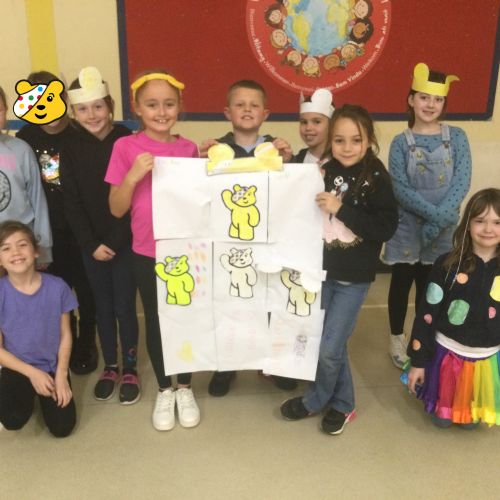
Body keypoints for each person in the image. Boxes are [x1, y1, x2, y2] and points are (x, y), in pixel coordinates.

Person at [280, 104, 398, 435]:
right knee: (326, 341)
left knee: (330, 348)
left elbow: (385, 227)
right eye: (339, 140)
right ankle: (344, 403)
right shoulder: (323, 169)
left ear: (369, 140)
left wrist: (340, 208)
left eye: (356, 140)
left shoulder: (376, 177)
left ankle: (316, 400)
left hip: (353, 280)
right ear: (330, 140)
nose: (347, 148)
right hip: (319, 275)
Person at [106, 70, 200, 430]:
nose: (161, 112)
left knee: (185, 318)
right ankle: (164, 388)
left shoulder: (188, 149)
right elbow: (116, 208)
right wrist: (133, 175)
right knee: (158, 320)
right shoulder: (125, 147)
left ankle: (185, 386)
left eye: (169, 104)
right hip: (147, 251)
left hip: (185, 250)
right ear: (137, 108)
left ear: (179, 107)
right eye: (152, 105)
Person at [199, 79, 294, 397]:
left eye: (254, 105)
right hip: (229, 243)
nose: (247, 110)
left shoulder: (275, 149)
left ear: (266, 113)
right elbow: (201, 191)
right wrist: (199, 162)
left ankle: (270, 364)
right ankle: (226, 365)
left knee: (269, 302)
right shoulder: (218, 150)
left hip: (268, 241)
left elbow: (291, 191)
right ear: (227, 112)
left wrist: (289, 163)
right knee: (229, 303)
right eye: (240, 104)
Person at [383, 63, 471, 369]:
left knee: (431, 285)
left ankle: (422, 338)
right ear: (411, 100)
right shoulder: (400, 142)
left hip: (444, 229)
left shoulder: (457, 137)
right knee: (401, 283)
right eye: (424, 97)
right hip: (407, 228)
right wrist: (436, 217)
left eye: (437, 99)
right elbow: (400, 189)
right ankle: (396, 338)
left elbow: (462, 182)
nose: (430, 105)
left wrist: (438, 222)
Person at [61, 67, 139, 404]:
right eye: (83, 109)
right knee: (102, 307)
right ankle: (110, 365)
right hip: (91, 246)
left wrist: (115, 240)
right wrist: (91, 244)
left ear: (110, 106)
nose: (92, 115)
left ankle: (130, 366)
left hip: (125, 242)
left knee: (124, 306)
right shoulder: (70, 146)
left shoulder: (127, 139)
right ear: (74, 112)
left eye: (98, 106)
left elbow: (136, 196)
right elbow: (71, 201)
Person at [16, 71, 98, 375]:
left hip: (82, 230)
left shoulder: (80, 132)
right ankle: (69, 341)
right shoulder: (26, 137)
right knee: (56, 292)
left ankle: (87, 343)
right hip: (47, 232)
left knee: (87, 291)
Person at [406, 188, 500, 429]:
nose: (488, 229)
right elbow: (426, 315)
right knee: (442, 421)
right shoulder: (447, 265)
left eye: (497, 222)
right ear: (467, 224)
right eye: (480, 221)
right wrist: (418, 362)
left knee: (470, 424)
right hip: (447, 357)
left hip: (486, 361)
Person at [0, 220, 77, 437]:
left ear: (35, 251)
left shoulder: (58, 287)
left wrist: (61, 374)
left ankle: (45, 387)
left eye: (22, 244)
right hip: (17, 367)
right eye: (6, 248)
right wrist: (32, 374)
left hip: (51, 366)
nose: (16, 252)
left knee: (62, 428)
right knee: (12, 419)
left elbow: (65, 335)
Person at [0, 86, 52, 269]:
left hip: (20, 248)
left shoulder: (21, 150)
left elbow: (37, 200)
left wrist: (44, 248)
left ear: (6, 111)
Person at [292, 88, 333, 166]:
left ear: (331, 124)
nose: (308, 128)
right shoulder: (297, 161)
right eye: (304, 122)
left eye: (317, 122)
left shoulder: (343, 160)